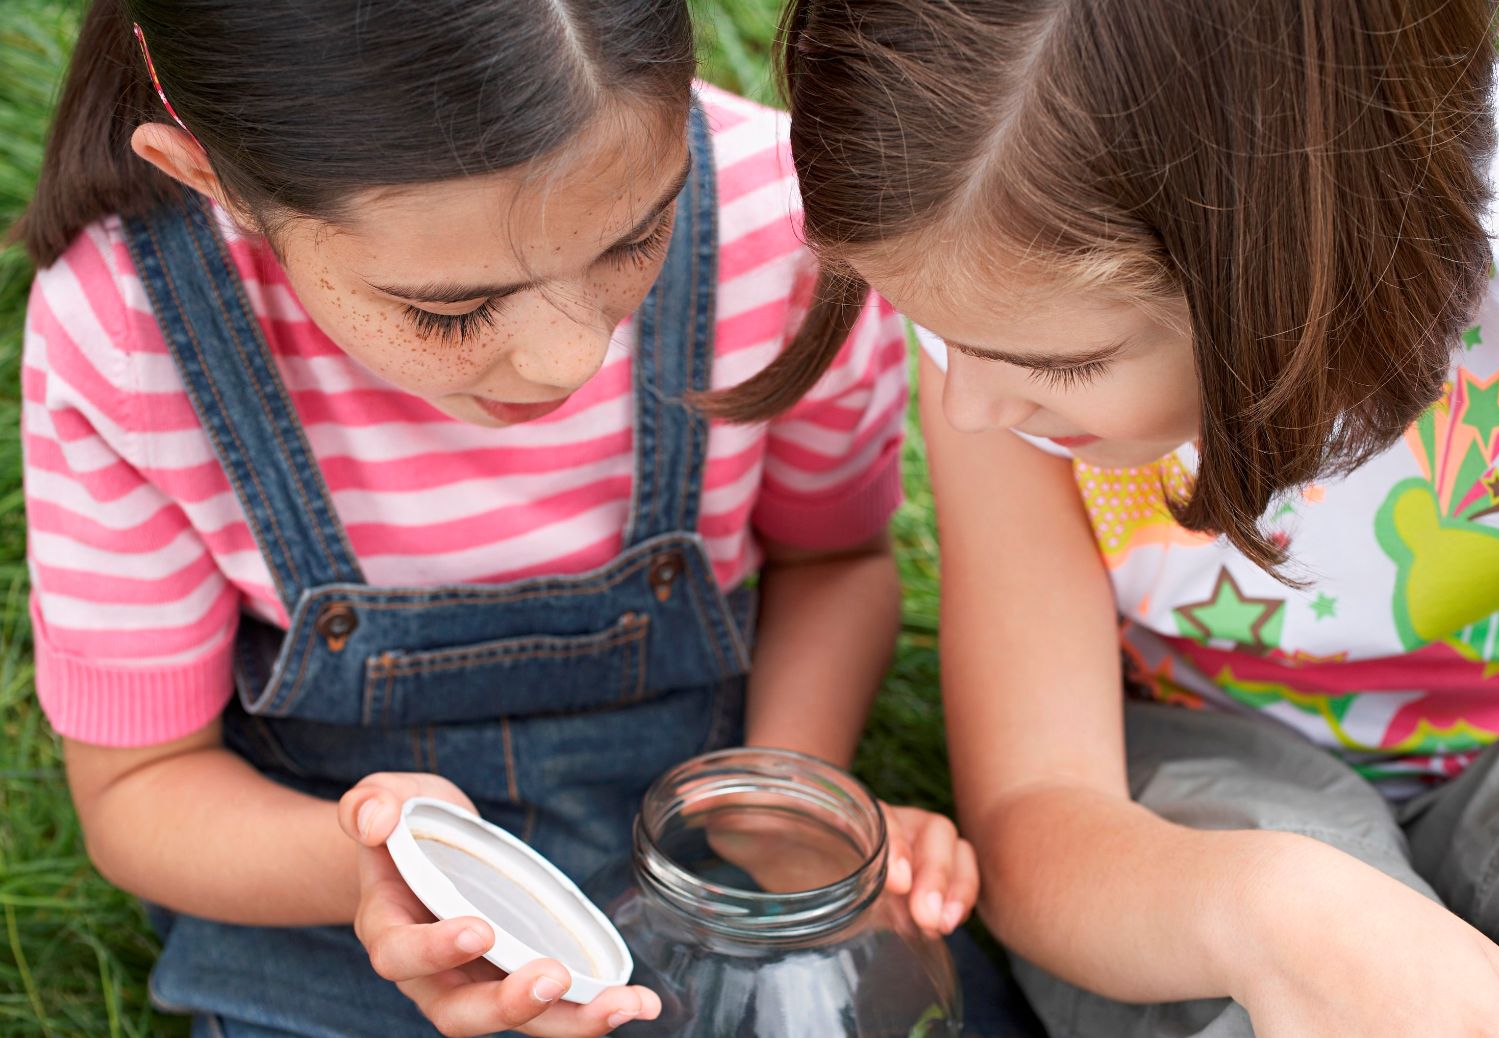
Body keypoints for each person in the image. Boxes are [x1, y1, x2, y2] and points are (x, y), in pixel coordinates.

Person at [16, 1, 985, 1034]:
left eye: (635, 234)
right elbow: (142, 791)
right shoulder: (134, 334)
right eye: (452, 309)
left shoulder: (772, 223)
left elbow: (830, 560)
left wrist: (775, 814)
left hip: (694, 858)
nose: (570, 358)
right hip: (337, 917)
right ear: (215, 178)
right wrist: (373, 874)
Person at [742, 0, 1499, 1033]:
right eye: (936, 334)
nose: (969, 407)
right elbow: (1039, 811)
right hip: (1185, 762)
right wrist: (1267, 914)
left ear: (1294, 254)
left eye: (1062, 364)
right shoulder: (993, 300)